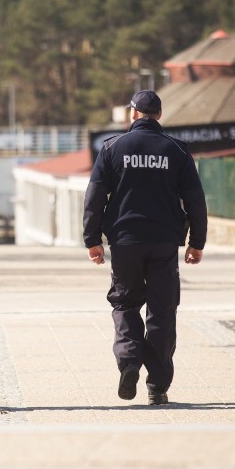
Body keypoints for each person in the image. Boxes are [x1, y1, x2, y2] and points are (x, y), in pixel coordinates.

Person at [82, 89, 207, 406]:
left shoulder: (112, 148)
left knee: (124, 304)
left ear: (133, 114)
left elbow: (95, 197)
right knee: (162, 312)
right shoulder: (177, 151)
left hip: (125, 241)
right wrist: (197, 243)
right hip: (165, 242)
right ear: (159, 116)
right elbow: (195, 200)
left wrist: (92, 240)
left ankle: (129, 361)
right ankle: (157, 386)